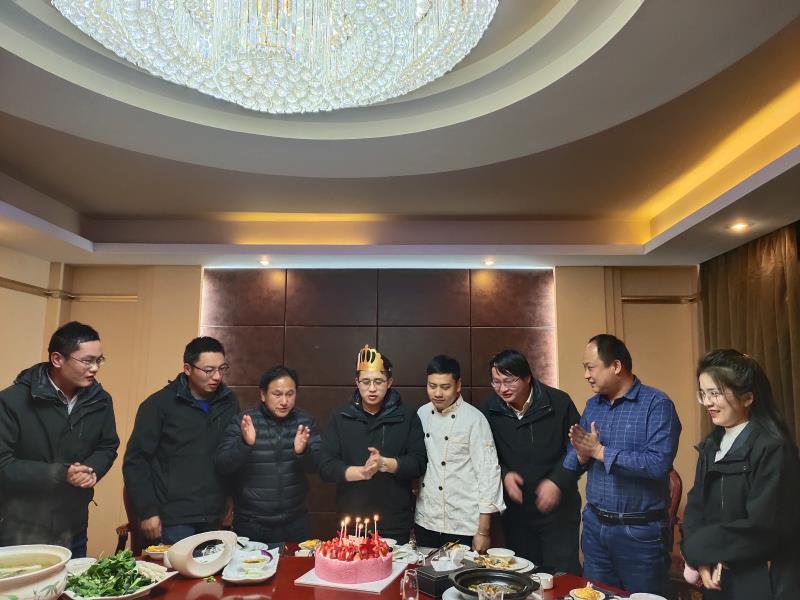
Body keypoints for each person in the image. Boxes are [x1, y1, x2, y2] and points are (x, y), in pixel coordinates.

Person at [564, 334, 681, 595]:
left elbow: (657, 464)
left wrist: (600, 451)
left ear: (616, 366)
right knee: (594, 596)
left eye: (590, 367)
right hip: (595, 528)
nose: (586, 375)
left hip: (639, 532)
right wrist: (583, 454)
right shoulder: (593, 406)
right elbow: (573, 460)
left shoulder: (657, 404)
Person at [681, 349, 800, 600]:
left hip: (760, 579)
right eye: (703, 394)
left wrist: (699, 549)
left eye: (715, 393)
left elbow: (763, 526)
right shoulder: (711, 445)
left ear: (747, 397)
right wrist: (700, 559)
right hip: (717, 573)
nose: (708, 402)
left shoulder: (773, 449)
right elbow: (696, 505)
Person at [0, 321, 119, 556]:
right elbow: (3, 465)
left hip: (74, 525)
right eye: (87, 361)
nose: (95, 368)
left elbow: (107, 446)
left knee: (72, 580)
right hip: (21, 528)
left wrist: (91, 469)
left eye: (99, 360)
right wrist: (60, 473)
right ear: (57, 359)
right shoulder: (12, 401)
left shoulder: (101, 400)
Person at [123, 336, 239, 544]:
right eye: (208, 370)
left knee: (214, 566)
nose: (217, 376)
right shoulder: (158, 405)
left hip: (214, 514)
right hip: (173, 517)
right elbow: (136, 462)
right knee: (176, 566)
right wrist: (148, 511)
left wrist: (231, 497)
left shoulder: (229, 403)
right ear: (188, 369)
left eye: (221, 369)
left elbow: (231, 455)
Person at [482, 349, 581, 573]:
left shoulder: (558, 402)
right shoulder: (489, 409)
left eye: (509, 381)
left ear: (527, 377)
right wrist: (504, 474)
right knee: (523, 575)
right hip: (517, 512)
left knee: (561, 576)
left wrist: (557, 481)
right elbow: (486, 455)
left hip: (558, 511)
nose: (503, 389)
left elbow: (577, 449)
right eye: (496, 382)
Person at [319, 345, 427, 544]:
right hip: (351, 522)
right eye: (366, 382)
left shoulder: (407, 416)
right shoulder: (341, 416)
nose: (372, 388)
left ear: (390, 382)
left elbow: (418, 463)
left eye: (378, 381)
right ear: (356, 382)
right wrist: (361, 472)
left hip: (395, 523)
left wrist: (384, 463)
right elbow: (325, 466)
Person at [215, 365, 320, 543]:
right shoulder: (244, 422)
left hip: (295, 522)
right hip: (252, 524)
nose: (284, 401)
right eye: (277, 394)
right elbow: (222, 465)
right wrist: (244, 444)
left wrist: (302, 452)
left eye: (290, 394)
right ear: (263, 395)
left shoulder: (305, 422)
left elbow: (317, 466)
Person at [414, 355, 504, 552]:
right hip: (426, 520)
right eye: (432, 386)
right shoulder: (421, 414)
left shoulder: (474, 419)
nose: (438, 393)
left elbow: (488, 474)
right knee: (424, 571)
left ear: (458, 385)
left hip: (464, 524)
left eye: (445, 387)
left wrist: (483, 531)